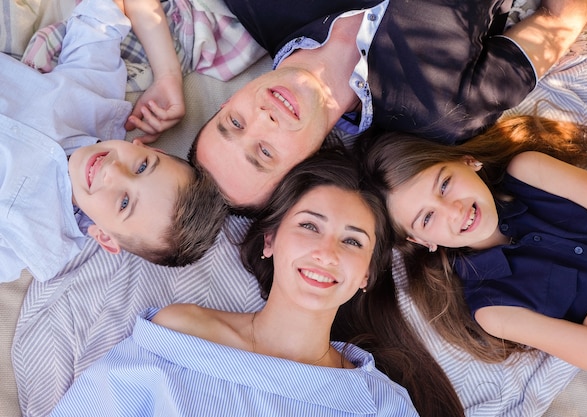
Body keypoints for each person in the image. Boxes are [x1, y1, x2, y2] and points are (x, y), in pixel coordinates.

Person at [48, 150, 464, 417]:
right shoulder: (180, 331)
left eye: (353, 240)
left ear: (366, 276)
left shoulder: (381, 404)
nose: (327, 252)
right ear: (270, 240)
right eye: (309, 226)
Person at [172, 0, 587, 209]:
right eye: (264, 152)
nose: (261, 119)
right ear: (308, 166)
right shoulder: (443, 111)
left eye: (235, 123)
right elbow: (562, 19)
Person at [361, 115, 587, 375]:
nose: (454, 210)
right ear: (421, 241)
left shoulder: (529, 171)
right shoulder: (493, 309)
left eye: (444, 184)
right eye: (428, 218)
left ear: (468, 161)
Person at [0, 0, 226, 283]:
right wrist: (168, 75)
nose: (112, 171)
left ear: (104, 237)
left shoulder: (33, 241)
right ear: (144, 147)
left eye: (123, 203)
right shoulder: (95, 99)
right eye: (142, 167)